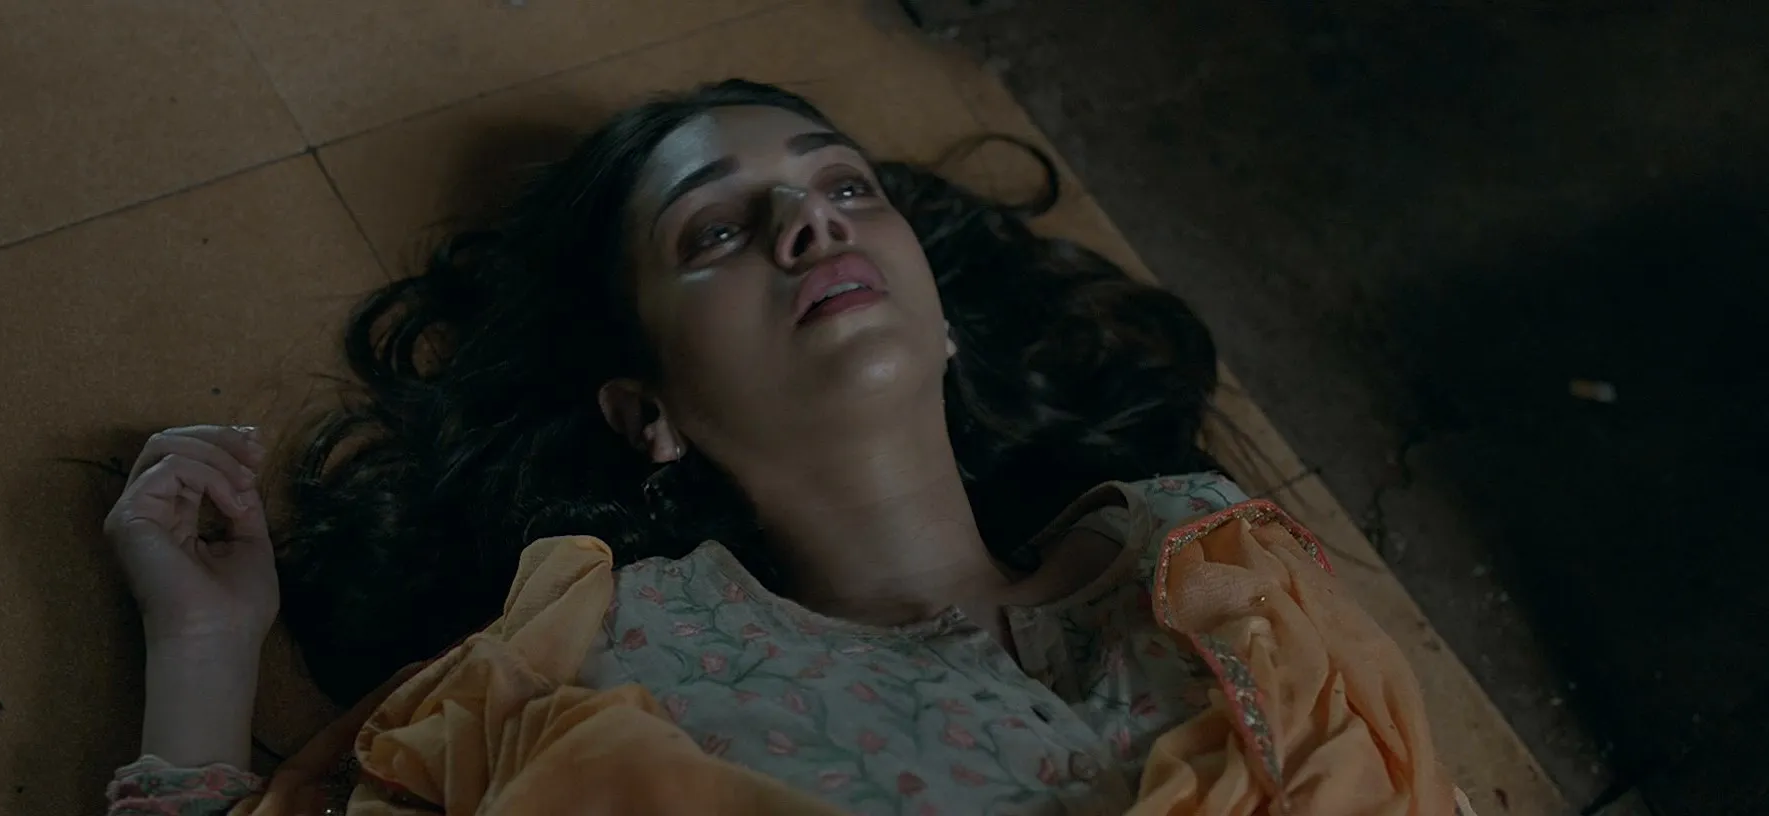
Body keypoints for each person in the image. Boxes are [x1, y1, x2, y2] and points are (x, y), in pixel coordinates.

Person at [102, 80, 1470, 815]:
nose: (810, 224)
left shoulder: (1215, 559)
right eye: (715, 229)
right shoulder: (606, 669)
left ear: (941, 319)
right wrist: (204, 649)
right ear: (648, 412)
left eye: (844, 186)